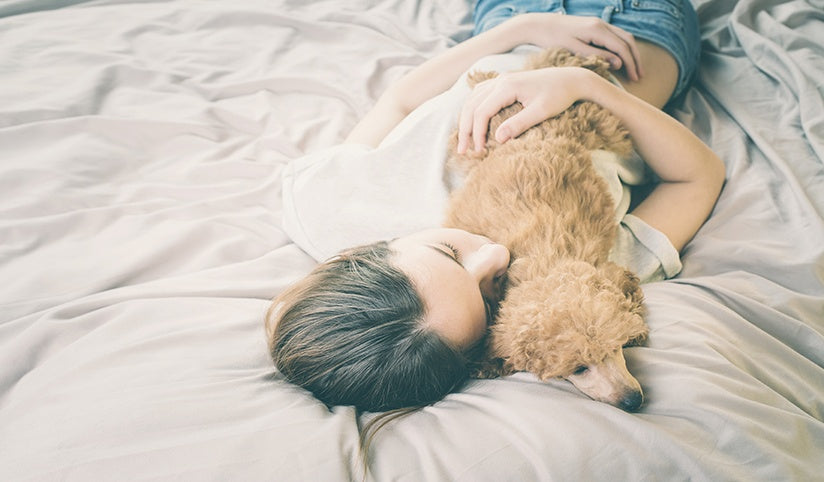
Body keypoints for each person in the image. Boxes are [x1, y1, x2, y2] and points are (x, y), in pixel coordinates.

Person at [267, 0, 724, 417]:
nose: (494, 256)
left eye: (449, 253)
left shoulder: (330, 205)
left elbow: (400, 99)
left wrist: (518, 30)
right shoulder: (582, 281)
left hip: (509, 17)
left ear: (364, 252)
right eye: (489, 295)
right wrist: (588, 86)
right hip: (624, 33)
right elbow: (698, 176)